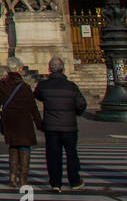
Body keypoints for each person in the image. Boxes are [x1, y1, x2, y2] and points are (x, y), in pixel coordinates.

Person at [34, 56, 87, 192]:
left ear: (49, 69)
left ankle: (55, 183)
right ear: (63, 69)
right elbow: (81, 104)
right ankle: (74, 181)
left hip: (51, 127)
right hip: (69, 126)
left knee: (53, 156)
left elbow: (38, 96)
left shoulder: (43, 86)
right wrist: (74, 113)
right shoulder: (71, 86)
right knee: (71, 154)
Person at [0, 56, 42, 189]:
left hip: (9, 121)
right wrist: (39, 123)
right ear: (19, 69)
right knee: (24, 148)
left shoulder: (2, 84)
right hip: (24, 122)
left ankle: (12, 177)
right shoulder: (24, 87)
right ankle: (23, 177)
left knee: (13, 148)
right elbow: (33, 107)